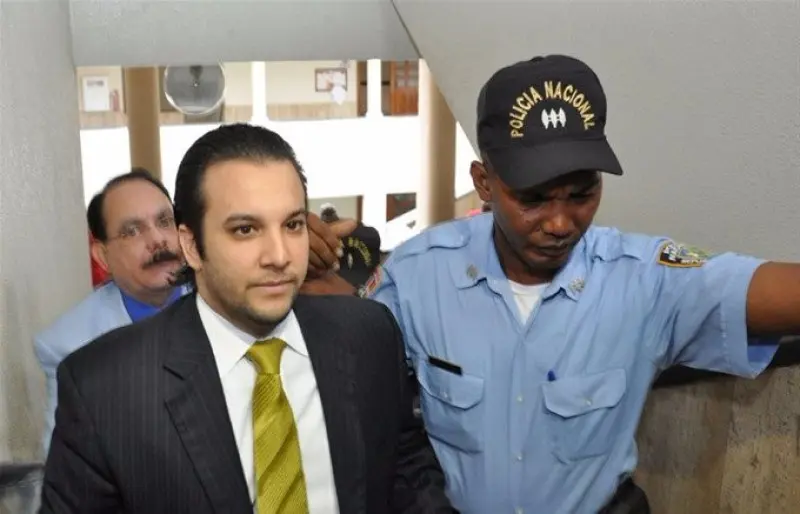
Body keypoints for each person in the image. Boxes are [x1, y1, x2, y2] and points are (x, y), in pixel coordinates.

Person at [301, 54, 800, 513]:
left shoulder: (646, 281)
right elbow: (351, 336)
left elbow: (770, 290)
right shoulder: (418, 275)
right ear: (484, 182)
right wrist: (292, 260)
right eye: (534, 199)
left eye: (581, 195)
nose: (561, 223)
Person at [40, 123, 452, 514]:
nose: (279, 255)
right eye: (244, 230)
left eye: (292, 225)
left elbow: (408, 474)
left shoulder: (368, 334)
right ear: (191, 246)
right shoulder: (105, 389)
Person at [34, 169, 184, 455]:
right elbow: (63, 467)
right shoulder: (70, 345)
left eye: (165, 222)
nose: (157, 239)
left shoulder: (223, 302)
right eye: (132, 231)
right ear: (103, 256)